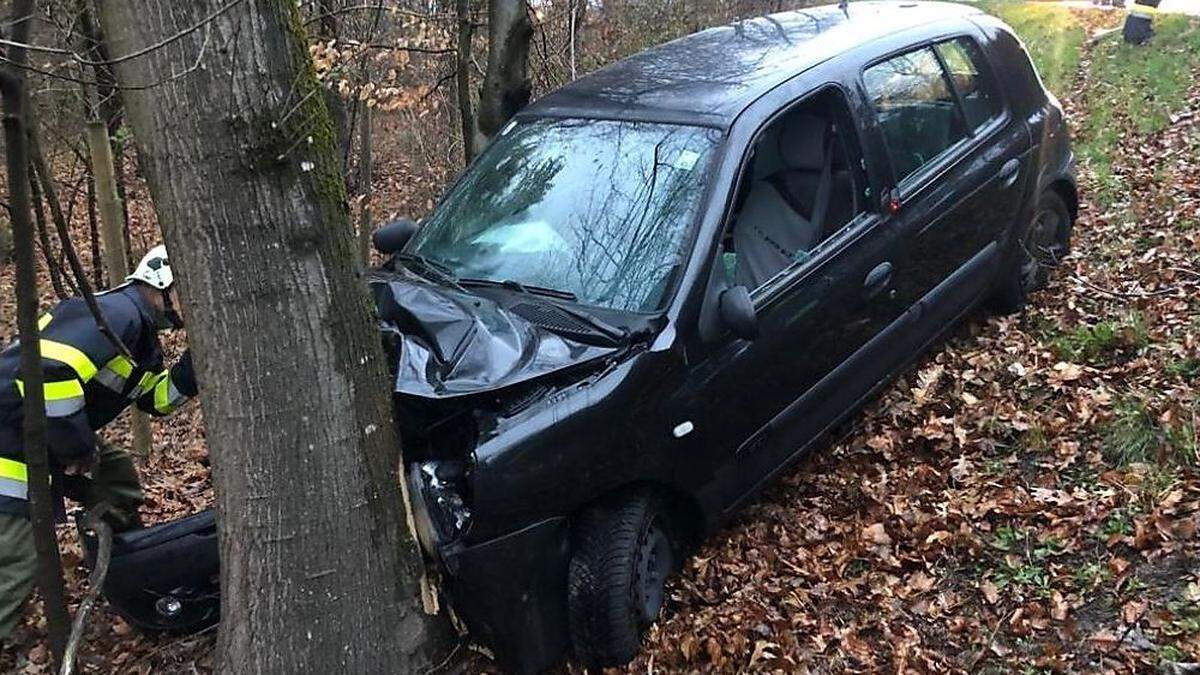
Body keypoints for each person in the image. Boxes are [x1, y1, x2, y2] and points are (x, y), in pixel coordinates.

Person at [0, 245, 198, 642]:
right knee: (17, 559)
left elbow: (154, 401)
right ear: (162, 282)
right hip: (11, 437)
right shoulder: (117, 314)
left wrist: (195, 368)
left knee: (115, 475)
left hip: (43, 435)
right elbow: (49, 371)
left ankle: (130, 567)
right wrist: (76, 449)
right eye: (187, 291)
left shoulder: (140, 336)